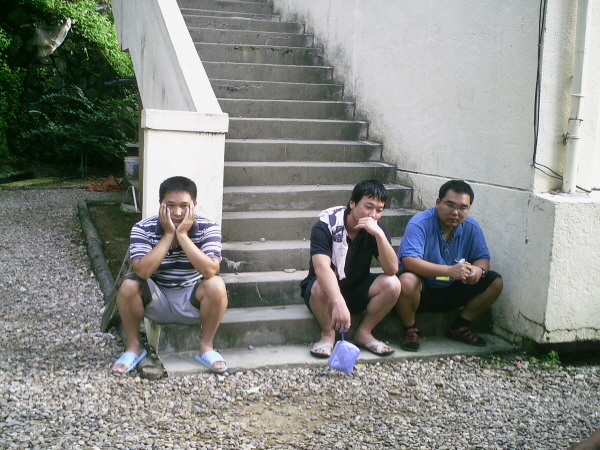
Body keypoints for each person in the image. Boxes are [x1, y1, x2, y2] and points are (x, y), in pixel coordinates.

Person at [111, 176, 228, 374]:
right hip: (156, 299)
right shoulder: (142, 228)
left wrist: (182, 235)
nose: (177, 212)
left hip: (191, 300)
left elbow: (210, 270)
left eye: (184, 206)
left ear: (194, 205)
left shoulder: (209, 227)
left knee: (216, 284)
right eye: (170, 205)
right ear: (160, 204)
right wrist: (168, 235)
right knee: (129, 284)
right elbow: (142, 271)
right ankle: (133, 347)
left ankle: (206, 347)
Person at [396, 179, 503, 352]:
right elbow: (409, 261)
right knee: (406, 280)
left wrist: (478, 271)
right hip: (423, 290)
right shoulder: (420, 223)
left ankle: (460, 326)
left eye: (463, 208)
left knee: (495, 281)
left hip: (454, 287)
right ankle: (409, 329)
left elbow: (483, 258)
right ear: (438, 202)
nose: (455, 212)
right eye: (450, 205)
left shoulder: (471, 226)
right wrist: (449, 271)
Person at [300, 179, 402, 358]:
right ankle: (328, 335)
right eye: (368, 207)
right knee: (319, 285)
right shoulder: (326, 225)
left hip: (356, 288)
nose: (373, 215)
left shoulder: (376, 230)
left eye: (379, 210)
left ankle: (364, 333)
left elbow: (392, 269)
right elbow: (321, 267)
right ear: (352, 203)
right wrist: (338, 302)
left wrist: (379, 235)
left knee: (393, 284)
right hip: (324, 294)